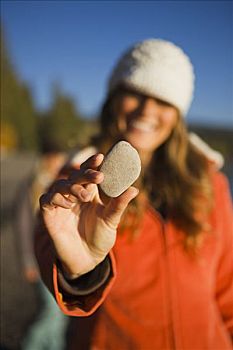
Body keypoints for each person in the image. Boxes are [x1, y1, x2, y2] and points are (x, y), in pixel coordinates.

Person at [35, 39, 233, 350]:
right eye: (135, 93)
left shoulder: (210, 184)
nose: (147, 110)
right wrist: (82, 272)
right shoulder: (77, 181)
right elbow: (48, 247)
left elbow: (227, 288)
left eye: (163, 100)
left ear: (178, 114)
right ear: (115, 98)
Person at [15, 141, 69, 350]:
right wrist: (27, 260)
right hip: (39, 260)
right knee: (51, 311)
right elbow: (22, 226)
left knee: (60, 313)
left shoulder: (61, 184)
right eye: (55, 158)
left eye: (61, 158)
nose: (58, 162)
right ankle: (31, 344)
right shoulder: (30, 186)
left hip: (60, 261)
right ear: (46, 159)